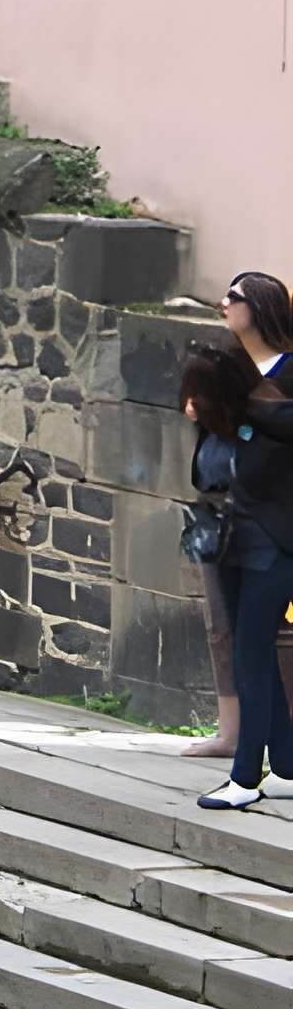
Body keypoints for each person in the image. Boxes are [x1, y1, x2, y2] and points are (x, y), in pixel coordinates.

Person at [207, 315, 293, 808]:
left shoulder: (276, 397)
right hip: (241, 540)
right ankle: (283, 768)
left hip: (277, 544)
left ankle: (244, 780)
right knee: (253, 653)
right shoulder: (241, 397)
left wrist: (244, 416)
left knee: (250, 658)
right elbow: (210, 468)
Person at [184, 345, 258, 758]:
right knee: (220, 629)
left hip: (254, 524)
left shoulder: (252, 428)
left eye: (199, 392)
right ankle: (230, 732)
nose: (190, 403)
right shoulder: (208, 432)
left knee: (267, 630)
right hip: (214, 526)